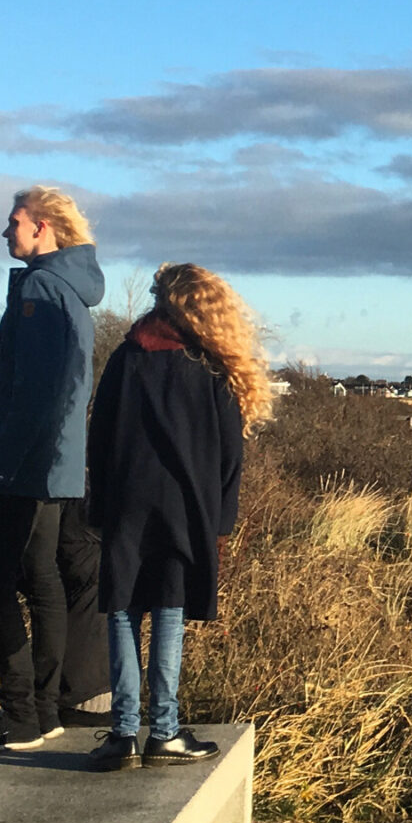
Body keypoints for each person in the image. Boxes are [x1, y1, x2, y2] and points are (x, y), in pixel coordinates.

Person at [84, 264, 272, 772]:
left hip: (126, 500)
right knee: (168, 610)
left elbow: (98, 434)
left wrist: (97, 504)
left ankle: (123, 733)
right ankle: (164, 731)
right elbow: (231, 454)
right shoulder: (211, 365)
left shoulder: (127, 357)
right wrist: (222, 521)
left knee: (122, 608)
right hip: (187, 508)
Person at [0, 187, 105, 755]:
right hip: (53, 466)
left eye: (13, 222)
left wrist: (9, 463)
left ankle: (20, 713)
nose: (5, 232)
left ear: (44, 228)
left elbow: (40, 391)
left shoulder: (42, 288)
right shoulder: (71, 292)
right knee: (41, 581)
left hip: (24, 467)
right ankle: (40, 714)